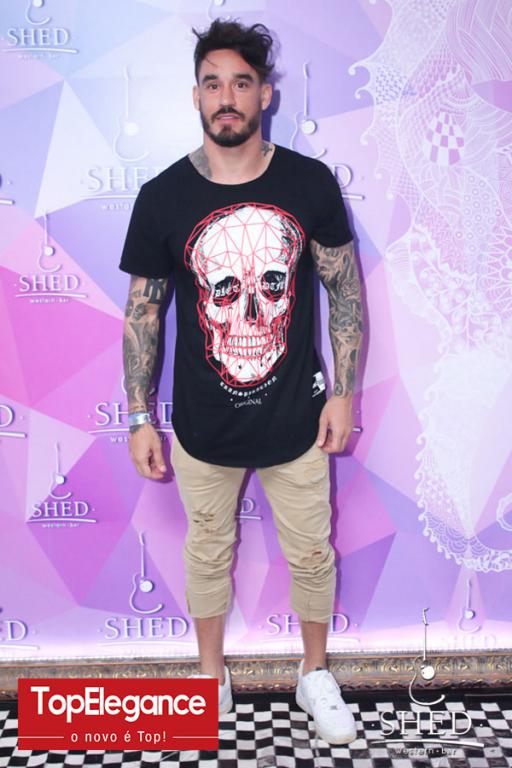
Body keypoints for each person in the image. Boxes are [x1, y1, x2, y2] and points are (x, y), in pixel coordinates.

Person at [119, 19, 363, 745]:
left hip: (298, 417)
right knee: (206, 548)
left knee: (312, 551)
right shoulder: (163, 197)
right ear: (196, 95)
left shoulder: (308, 183)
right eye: (214, 83)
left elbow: (344, 291)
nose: (227, 97)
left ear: (265, 95)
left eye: (242, 83)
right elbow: (143, 312)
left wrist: (344, 392)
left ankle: (314, 673)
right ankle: (209, 677)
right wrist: (138, 415)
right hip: (202, 423)